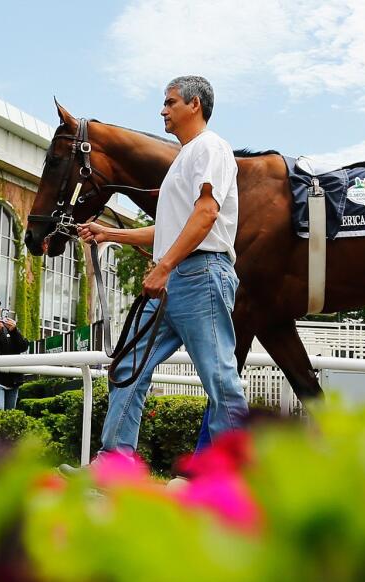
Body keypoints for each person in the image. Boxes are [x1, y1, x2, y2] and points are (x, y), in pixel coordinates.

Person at [72, 75, 248, 467]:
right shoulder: (183, 159)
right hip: (174, 280)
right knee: (127, 365)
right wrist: (109, 233)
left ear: (194, 105)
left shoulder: (211, 148)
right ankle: (113, 465)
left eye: (170, 102)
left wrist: (165, 265)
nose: (162, 110)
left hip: (201, 275)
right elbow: (170, 229)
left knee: (220, 380)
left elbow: (206, 214)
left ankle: (234, 479)